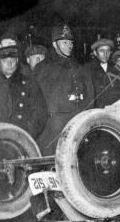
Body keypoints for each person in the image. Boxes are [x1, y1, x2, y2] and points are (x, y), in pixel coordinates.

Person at [34, 24, 94, 155]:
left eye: (71, 42)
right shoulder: (43, 68)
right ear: (55, 44)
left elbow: (90, 95)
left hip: (77, 123)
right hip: (54, 128)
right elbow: (37, 101)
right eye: (64, 42)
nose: (69, 46)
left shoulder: (77, 66)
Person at [0, 44, 48, 140]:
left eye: (12, 60)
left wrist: (25, 136)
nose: (9, 64)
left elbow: (40, 114)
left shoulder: (29, 83)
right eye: (5, 61)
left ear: (17, 61)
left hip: (22, 138)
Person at [84, 38, 120, 108]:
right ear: (95, 53)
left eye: (108, 51)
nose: (105, 54)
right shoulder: (87, 70)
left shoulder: (116, 70)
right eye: (102, 51)